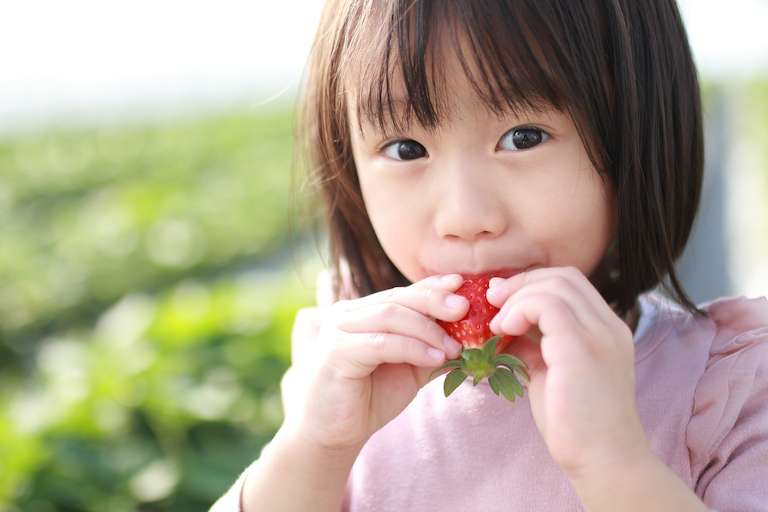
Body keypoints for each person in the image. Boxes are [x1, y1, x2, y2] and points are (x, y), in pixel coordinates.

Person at [212, 0, 768, 510]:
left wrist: (613, 463)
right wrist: (313, 447)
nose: (464, 216)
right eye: (406, 149)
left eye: (523, 137)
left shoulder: (724, 393)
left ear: (638, 134)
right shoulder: (345, 376)